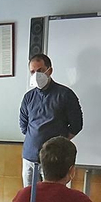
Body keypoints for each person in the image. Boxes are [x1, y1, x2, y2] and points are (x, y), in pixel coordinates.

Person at [18, 54, 83, 188]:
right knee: (30, 199)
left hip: (55, 160)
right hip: (30, 157)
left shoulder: (65, 94)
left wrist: (57, 144)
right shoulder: (28, 97)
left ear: (50, 71)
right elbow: (23, 125)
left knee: (53, 199)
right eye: (32, 71)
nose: (36, 74)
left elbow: (76, 125)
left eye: (40, 70)